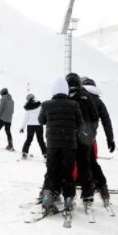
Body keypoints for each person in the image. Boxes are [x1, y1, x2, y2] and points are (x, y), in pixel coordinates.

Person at [39, 77, 84, 215]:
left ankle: (47, 198)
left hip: (52, 145)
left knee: (51, 171)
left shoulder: (46, 105)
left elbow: (41, 121)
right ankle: (69, 201)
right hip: (69, 145)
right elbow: (80, 123)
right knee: (67, 173)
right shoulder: (74, 105)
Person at [66, 73, 99, 209]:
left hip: (69, 137)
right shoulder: (86, 97)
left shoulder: (66, 97)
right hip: (85, 138)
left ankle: (69, 192)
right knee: (84, 165)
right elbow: (95, 117)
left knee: (68, 165)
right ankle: (87, 194)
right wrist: (91, 135)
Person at [82, 78, 116, 203]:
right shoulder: (99, 102)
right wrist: (110, 139)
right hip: (90, 139)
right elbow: (106, 121)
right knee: (92, 163)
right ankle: (102, 187)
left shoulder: (78, 97)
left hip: (75, 137)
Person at [20, 93, 46, 160]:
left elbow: (25, 118)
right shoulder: (40, 105)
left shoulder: (28, 107)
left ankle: (24, 153)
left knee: (29, 139)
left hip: (30, 126)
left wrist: (22, 127)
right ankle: (46, 154)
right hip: (39, 125)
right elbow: (43, 115)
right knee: (41, 140)